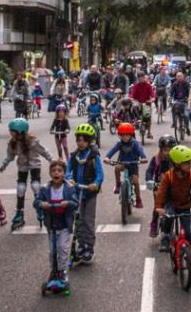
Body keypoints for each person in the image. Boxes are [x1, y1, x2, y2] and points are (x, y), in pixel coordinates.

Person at [155, 145, 191, 268]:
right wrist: (159, 207)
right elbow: (161, 192)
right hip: (171, 204)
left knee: (188, 233)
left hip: (185, 205)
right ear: (177, 164)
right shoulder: (168, 176)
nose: (189, 165)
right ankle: (166, 236)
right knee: (168, 218)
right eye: (186, 163)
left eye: (189, 162)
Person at [0, 118, 54, 230]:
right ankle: (19, 212)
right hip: (22, 165)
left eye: (12, 131)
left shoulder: (32, 141)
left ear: (20, 131)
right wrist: (4, 164)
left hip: (34, 164)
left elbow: (43, 151)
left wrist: (52, 161)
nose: (10, 133)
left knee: (35, 186)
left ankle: (40, 208)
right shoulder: (13, 143)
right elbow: (10, 155)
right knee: (20, 187)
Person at [34, 159, 78, 294]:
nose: (56, 173)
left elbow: (75, 204)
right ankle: (54, 271)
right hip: (51, 225)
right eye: (53, 171)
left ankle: (62, 271)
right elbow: (36, 202)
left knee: (63, 248)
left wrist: (67, 203)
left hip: (64, 224)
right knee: (52, 250)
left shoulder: (69, 189)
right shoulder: (45, 189)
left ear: (64, 174)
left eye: (59, 171)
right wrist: (42, 204)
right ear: (50, 173)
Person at [66, 124, 104, 264]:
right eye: (78, 140)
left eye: (83, 140)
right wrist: (69, 178)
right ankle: (80, 246)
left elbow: (100, 174)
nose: (80, 143)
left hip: (89, 193)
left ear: (89, 141)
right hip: (76, 192)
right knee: (78, 220)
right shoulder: (74, 156)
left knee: (88, 221)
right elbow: (68, 170)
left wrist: (95, 184)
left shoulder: (94, 156)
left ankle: (89, 247)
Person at [105, 122, 149, 207]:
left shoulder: (135, 143)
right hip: (122, 163)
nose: (125, 137)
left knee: (136, 181)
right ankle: (118, 184)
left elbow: (140, 152)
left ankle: (138, 199)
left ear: (131, 135)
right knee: (117, 168)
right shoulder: (119, 143)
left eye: (127, 135)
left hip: (133, 165)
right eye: (122, 135)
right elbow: (112, 150)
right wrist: (107, 157)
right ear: (119, 135)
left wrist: (143, 158)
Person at [145, 135, 177, 238]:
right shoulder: (156, 159)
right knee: (157, 207)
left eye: (170, 149)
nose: (167, 152)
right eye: (165, 149)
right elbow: (149, 171)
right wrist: (149, 180)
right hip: (158, 186)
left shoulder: (176, 159)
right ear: (161, 149)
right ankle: (154, 223)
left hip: (173, 186)